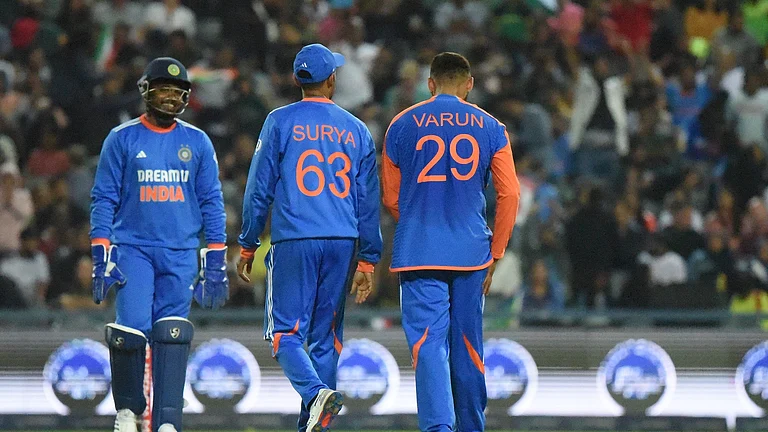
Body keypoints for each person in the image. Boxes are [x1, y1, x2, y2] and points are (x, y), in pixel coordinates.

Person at [236, 43, 382, 432]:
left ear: (297, 80)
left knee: (284, 333)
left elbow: (258, 188)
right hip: (342, 240)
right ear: (332, 80)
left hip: (296, 238)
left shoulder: (279, 122)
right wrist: (368, 259)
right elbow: (368, 201)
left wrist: (249, 242)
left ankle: (316, 394)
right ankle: (316, 425)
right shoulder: (356, 129)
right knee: (325, 339)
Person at [381, 52, 520, 432]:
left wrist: (418, 222)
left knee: (428, 346)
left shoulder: (401, 124)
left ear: (430, 84)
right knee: (468, 350)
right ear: (469, 84)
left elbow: (391, 196)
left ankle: (439, 429)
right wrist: (496, 252)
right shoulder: (491, 127)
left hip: (419, 251)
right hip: (471, 254)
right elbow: (510, 195)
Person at [90, 57, 228, 432]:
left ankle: (168, 419)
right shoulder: (122, 138)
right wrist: (100, 252)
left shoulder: (196, 141)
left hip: (180, 251)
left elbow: (211, 201)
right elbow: (103, 198)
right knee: (130, 329)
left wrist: (216, 256)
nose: (169, 98)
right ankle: (129, 410)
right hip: (133, 247)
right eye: (163, 89)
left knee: (172, 331)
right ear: (146, 91)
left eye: (177, 92)